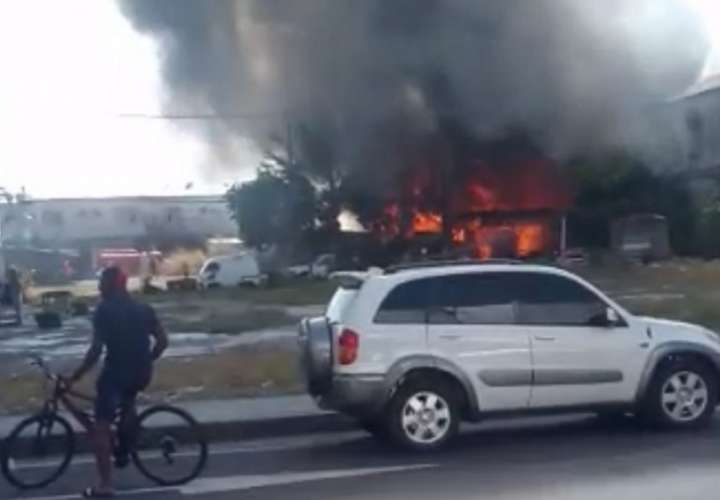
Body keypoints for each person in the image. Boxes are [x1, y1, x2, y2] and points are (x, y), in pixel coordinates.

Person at [69, 266, 168, 498]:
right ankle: (125, 445)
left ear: (112, 285)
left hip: (115, 374)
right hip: (142, 372)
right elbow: (163, 341)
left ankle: (105, 485)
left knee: (100, 429)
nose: (99, 287)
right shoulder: (144, 309)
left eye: (102, 283)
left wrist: (76, 375)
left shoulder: (104, 310)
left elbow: (95, 350)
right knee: (128, 399)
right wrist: (147, 360)